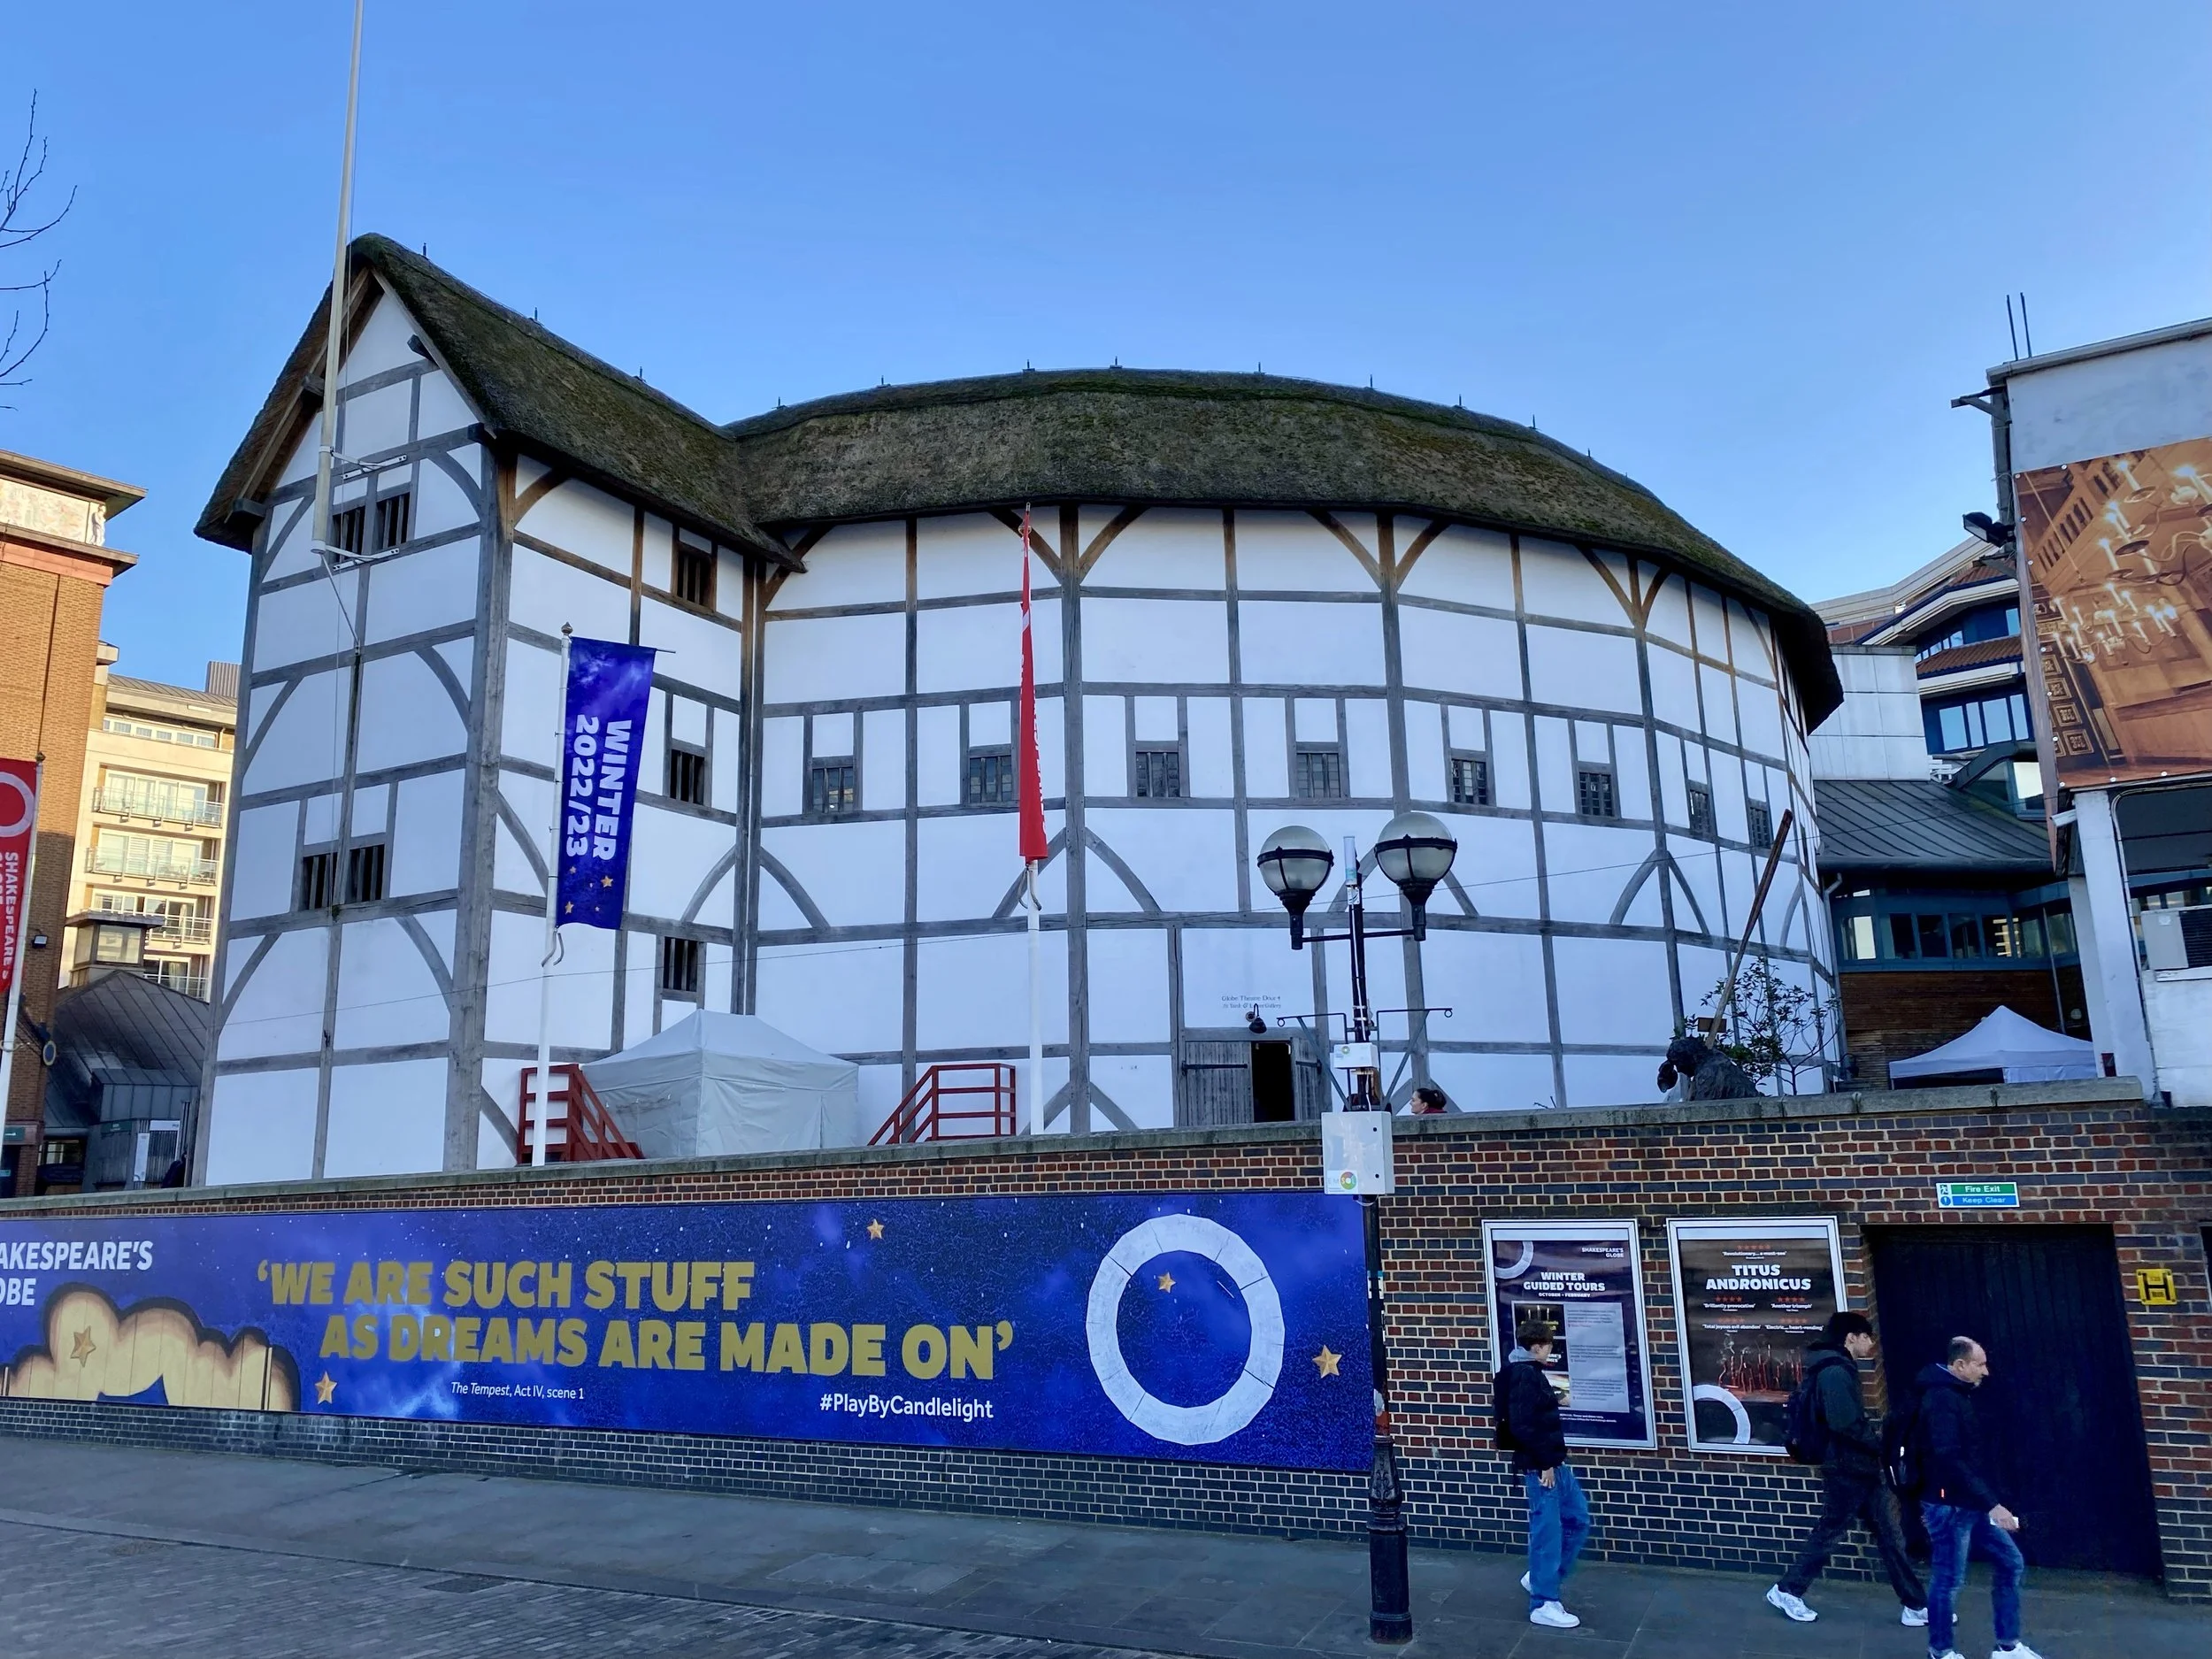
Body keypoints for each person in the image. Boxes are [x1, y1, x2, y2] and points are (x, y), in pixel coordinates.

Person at [1764, 1311, 1928, 1627]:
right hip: (1846, 1467)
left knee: (1889, 1536)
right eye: (1866, 1337)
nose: (1871, 1344)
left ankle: (1915, 1604)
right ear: (1850, 1337)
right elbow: (1844, 1422)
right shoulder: (1836, 1372)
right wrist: (1876, 1444)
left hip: (1857, 1467)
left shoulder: (1833, 1367)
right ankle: (1788, 1590)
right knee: (1831, 1532)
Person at [1916, 1337, 2043, 1659]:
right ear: (1959, 1365)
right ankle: (1941, 1651)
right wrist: (1993, 1504)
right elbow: (1948, 1457)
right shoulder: (1942, 1400)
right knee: (1948, 1580)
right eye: (1980, 1364)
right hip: (1949, 1506)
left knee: (2010, 1562)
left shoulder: (1957, 1395)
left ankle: (2008, 1646)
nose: (1985, 1371)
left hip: (1969, 1503)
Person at [1497, 1317, 1588, 1630]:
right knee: (1548, 1531)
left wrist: (1554, 1401)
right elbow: (1522, 1424)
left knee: (1577, 1520)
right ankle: (1543, 1602)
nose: (1551, 1351)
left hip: (1553, 1462)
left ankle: (1540, 1578)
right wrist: (1544, 1462)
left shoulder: (1530, 1373)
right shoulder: (1525, 1375)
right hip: (1542, 1466)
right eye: (1549, 1346)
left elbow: (1534, 1415)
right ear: (1536, 1347)